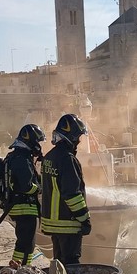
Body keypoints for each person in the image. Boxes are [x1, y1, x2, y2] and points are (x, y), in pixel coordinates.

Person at [40, 113, 91, 265]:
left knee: (58, 264)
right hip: (68, 224)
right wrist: (84, 219)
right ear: (73, 136)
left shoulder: (49, 157)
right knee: (71, 264)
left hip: (53, 225)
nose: (79, 141)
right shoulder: (68, 159)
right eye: (78, 136)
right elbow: (72, 195)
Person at [5, 124, 45, 265]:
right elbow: (26, 186)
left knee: (24, 243)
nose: (39, 146)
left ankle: (20, 267)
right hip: (25, 207)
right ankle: (22, 269)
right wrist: (39, 189)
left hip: (19, 206)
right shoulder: (22, 159)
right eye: (38, 142)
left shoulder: (15, 156)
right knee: (27, 244)